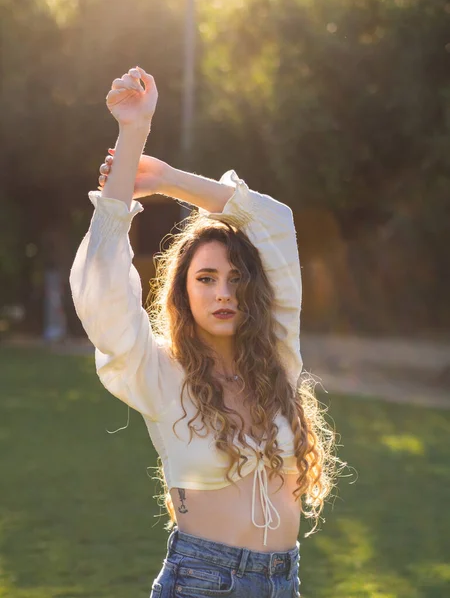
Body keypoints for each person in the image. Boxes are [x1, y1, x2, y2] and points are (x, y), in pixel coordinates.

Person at [70, 66, 338, 598]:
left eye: (237, 280)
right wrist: (133, 134)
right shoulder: (161, 372)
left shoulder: (277, 361)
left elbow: (275, 224)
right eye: (206, 279)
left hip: (285, 583)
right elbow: (103, 286)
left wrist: (169, 179)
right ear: (183, 293)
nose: (223, 294)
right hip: (201, 583)